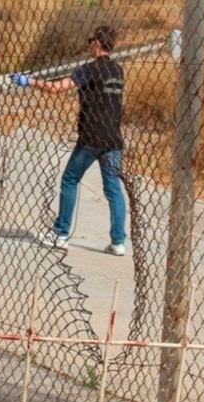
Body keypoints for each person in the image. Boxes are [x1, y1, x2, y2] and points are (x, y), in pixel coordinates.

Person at [11, 25, 127, 256]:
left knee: (70, 179)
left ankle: (61, 233)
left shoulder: (89, 70)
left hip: (91, 137)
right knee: (113, 188)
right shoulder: (118, 70)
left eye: (91, 40)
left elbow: (57, 89)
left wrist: (30, 82)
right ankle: (118, 241)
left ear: (97, 43)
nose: (89, 45)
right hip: (113, 138)